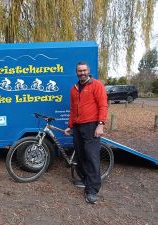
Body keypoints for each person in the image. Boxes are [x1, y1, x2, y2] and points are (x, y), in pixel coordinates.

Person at [64, 61, 108, 204]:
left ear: (88, 71)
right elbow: (72, 109)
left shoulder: (96, 85)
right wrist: (70, 125)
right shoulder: (74, 89)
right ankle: (85, 181)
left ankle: (92, 190)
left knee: (91, 157)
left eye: (84, 70)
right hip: (77, 127)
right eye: (79, 71)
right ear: (76, 72)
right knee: (81, 156)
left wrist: (100, 124)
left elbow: (103, 105)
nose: (82, 73)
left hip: (91, 126)